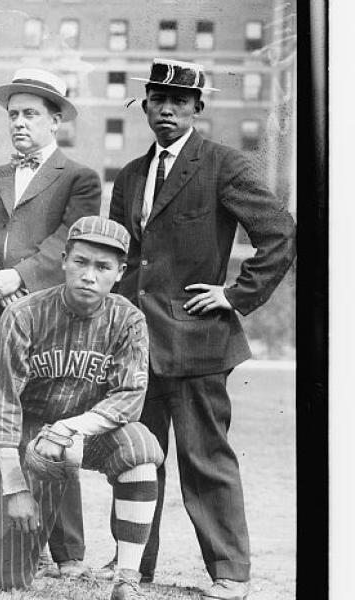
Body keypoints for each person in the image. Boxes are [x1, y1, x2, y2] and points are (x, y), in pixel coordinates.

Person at [107, 58, 296, 600]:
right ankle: (131, 567)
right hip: (136, 345)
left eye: (181, 101)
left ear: (197, 109)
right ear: (143, 104)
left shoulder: (223, 165)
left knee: (204, 461)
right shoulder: (130, 176)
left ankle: (229, 573)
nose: (168, 108)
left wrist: (235, 295)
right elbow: (122, 256)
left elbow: (280, 233)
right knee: (137, 456)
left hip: (199, 340)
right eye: (158, 99)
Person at [0, 67, 101, 578]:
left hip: (43, 321)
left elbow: (69, 241)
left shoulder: (78, 178)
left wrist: (19, 278)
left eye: (30, 114)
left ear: (55, 120)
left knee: (44, 426)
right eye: (13, 114)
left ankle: (67, 549)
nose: (18, 123)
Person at [0, 216, 162, 600]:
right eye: (81, 262)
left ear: (120, 272)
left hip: (87, 430)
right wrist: (14, 488)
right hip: (29, 438)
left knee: (140, 446)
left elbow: (129, 396)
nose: (89, 275)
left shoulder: (128, 318)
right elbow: (0, 406)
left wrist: (74, 427)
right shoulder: (23, 314)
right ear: (63, 260)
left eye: (103, 267)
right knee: (7, 579)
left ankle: (127, 577)